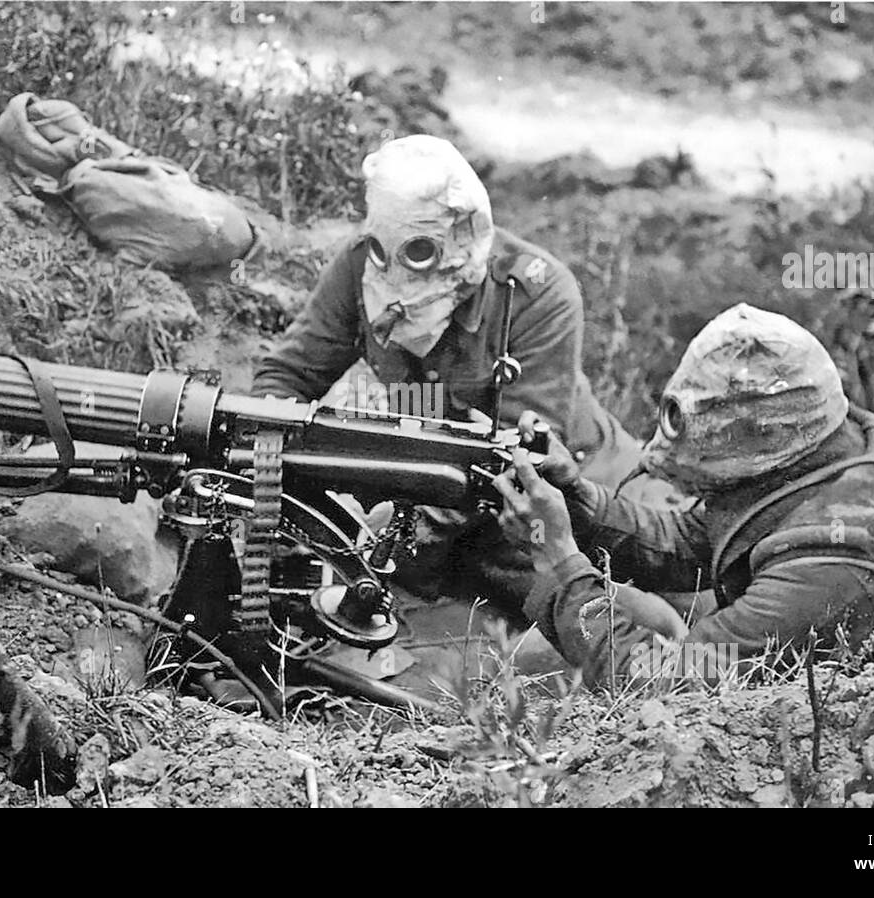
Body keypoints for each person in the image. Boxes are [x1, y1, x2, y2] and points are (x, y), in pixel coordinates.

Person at [493, 304, 874, 683]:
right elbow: (698, 539)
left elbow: (659, 686)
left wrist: (560, 561)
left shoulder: (841, 549)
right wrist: (581, 502)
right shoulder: (836, 442)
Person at [252, 134, 665, 612]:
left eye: (422, 251)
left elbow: (518, 461)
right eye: (389, 250)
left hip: (566, 494)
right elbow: (287, 376)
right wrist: (270, 475)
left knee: (634, 617)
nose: (398, 273)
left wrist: (388, 527)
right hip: (439, 496)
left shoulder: (537, 295)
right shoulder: (358, 268)